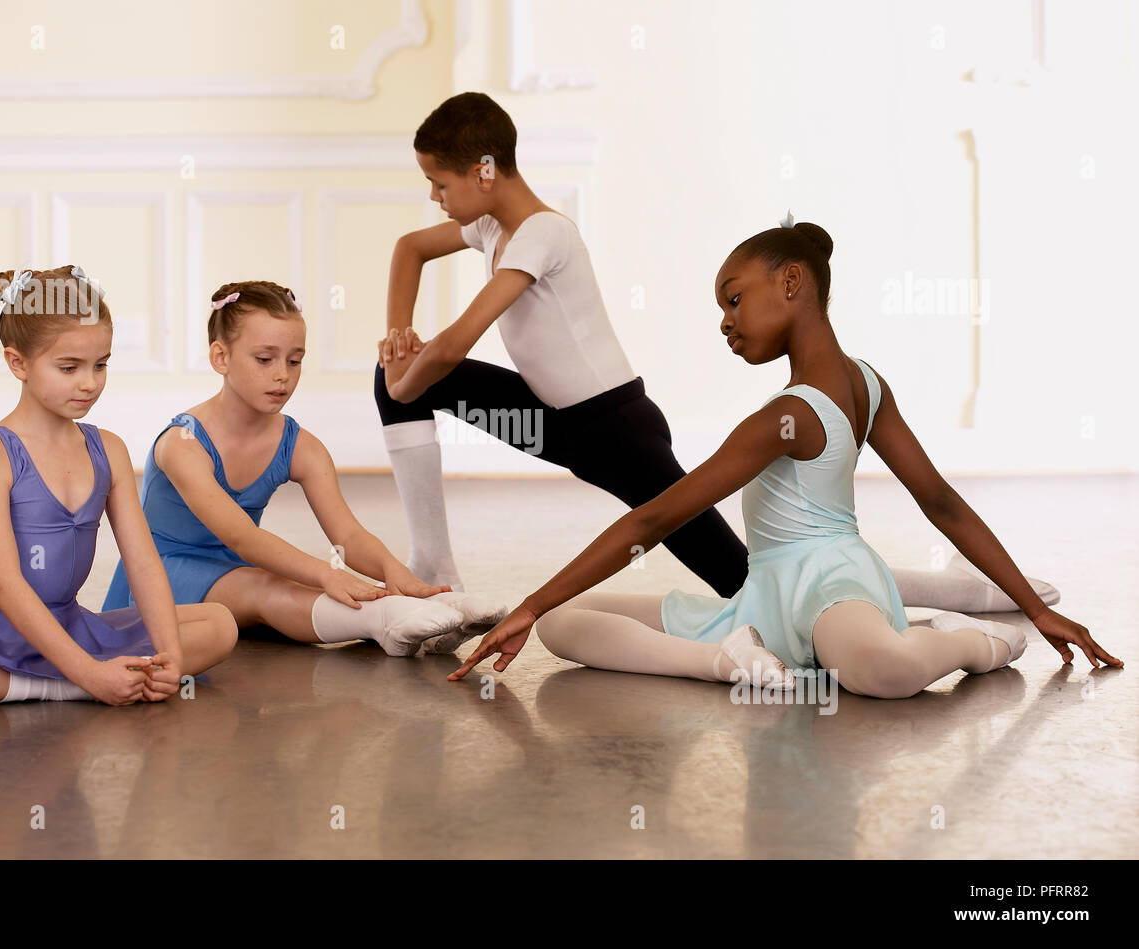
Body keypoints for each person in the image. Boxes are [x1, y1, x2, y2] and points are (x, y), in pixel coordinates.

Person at [375, 91, 1060, 616]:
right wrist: (399, 338)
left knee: (744, 579)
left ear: (484, 171)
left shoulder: (542, 235)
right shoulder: (489, 223)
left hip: (615, 428)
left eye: (441, 183)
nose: (434, 199)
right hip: (554, 419)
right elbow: (408, 250)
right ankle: (439, 577)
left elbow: (460, 341)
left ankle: (953, 591)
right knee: (397, 379)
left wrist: (410, 378)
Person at [447, 218, 1122, 698]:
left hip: (835, 590)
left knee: (878, 672)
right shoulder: (852, 384)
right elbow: (941, 503)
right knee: (564, 625)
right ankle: (727, 661)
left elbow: (650, 521)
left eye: (735, 298)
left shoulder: (799, 413)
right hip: (763, 600)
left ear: (792, 282)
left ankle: (975, 640)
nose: (725, 320)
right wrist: (535, 609)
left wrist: (1030, 616)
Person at [0, 266, 238, 710]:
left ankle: (72, 673)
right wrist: (89, 673)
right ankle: (69, 682)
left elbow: (142, 563)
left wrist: (170, 660)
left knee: (218, 624)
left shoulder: (109, 448)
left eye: (100, 365)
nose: (89, 383)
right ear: (17, 363)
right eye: (69, 367)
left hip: (65, 625)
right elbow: (4, 583)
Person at [101, 280, 507, 657]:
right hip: (161, 575)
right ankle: (383, 622)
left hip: (233, 571)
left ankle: (421, 604)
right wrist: (327, 575)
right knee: (271, 584)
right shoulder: (183, 444)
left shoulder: (301, 447)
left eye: (295, 361)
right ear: (220, 357)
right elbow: (242, 538)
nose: (282, 375)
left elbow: (346, 535)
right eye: (265, 359)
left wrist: (392, 571)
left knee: (288, 579)